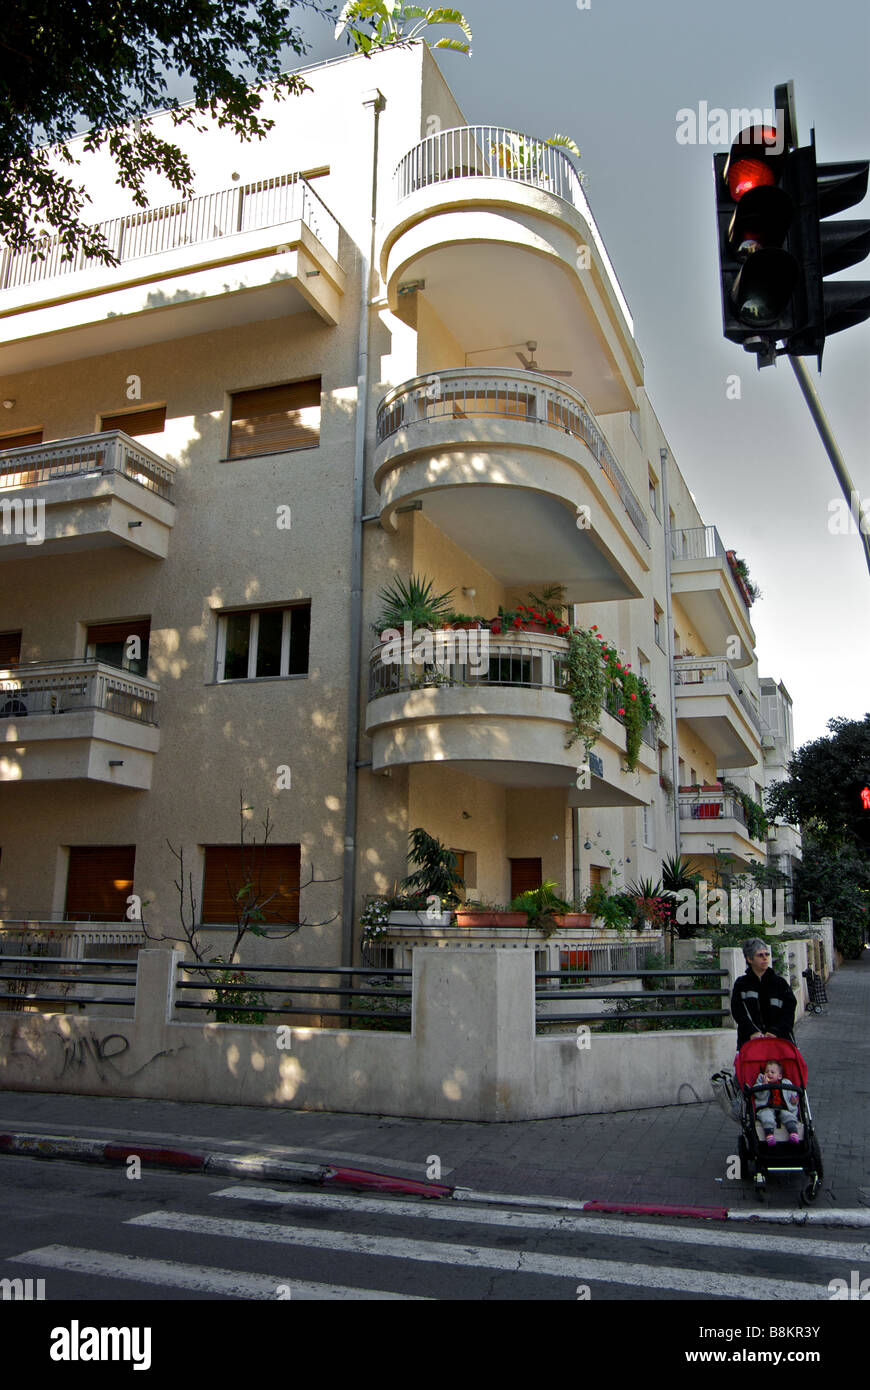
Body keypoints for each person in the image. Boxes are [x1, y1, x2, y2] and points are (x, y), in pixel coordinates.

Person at [730, 938, 797, 1049]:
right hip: (750, 1042)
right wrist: (752, 1032)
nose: (765, 958)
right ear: (749, 959)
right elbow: (738, 1012)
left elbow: (789, 1011)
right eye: (760, 955)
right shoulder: (741, 984)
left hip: (780, 1042)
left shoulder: (780, 983)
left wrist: (775, 1031)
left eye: (767, 954)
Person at [753, 1058, 800, 1146]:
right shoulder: (760, 1083)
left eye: (772, 1072)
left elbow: (793, 1095)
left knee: (789, 1117)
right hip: (766, 1107)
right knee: (767, 1117)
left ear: (779, 1076)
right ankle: (769, 1135)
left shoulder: (786, 1083)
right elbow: (759, 1096)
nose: (769, 1073)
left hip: (783, 1108)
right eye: (767, 1071)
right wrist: (763, 1086)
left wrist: (794, 1100)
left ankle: (793, 1133)